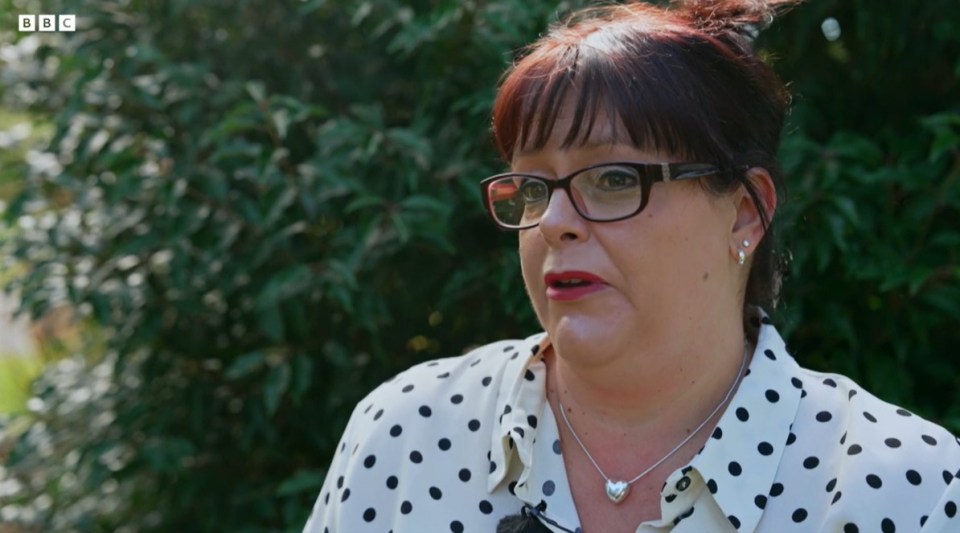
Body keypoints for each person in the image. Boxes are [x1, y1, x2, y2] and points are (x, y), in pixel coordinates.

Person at [303, 1, 960, 531]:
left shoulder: (906, 488)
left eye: (614, 178)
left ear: (745, 213)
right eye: (533, 186)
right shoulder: (408, 432)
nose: (554, 220)